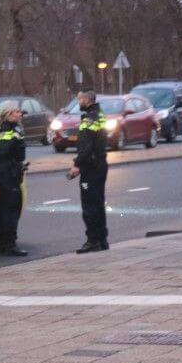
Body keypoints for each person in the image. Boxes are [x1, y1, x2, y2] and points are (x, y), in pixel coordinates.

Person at [67, 89, 109, 253]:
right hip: (100, 163)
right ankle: (102, 239)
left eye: (79, 99)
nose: (78, 102)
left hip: (91, 167)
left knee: (89, 205)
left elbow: (86, 145)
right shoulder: (99, 115)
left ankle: (92, 240)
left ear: (86, 99)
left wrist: (77, 165)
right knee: (98, 203)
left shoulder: (89, 119)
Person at [0, 100, 28, 257]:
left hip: (4, 172)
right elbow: (13, 153)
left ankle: (1, 243)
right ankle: (9, 244)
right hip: (9, 175)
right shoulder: (12, 131)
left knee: (4, 208)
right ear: (9, 114)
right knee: (12, 209)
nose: (20, 114)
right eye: (17, 111)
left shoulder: (4, 130)